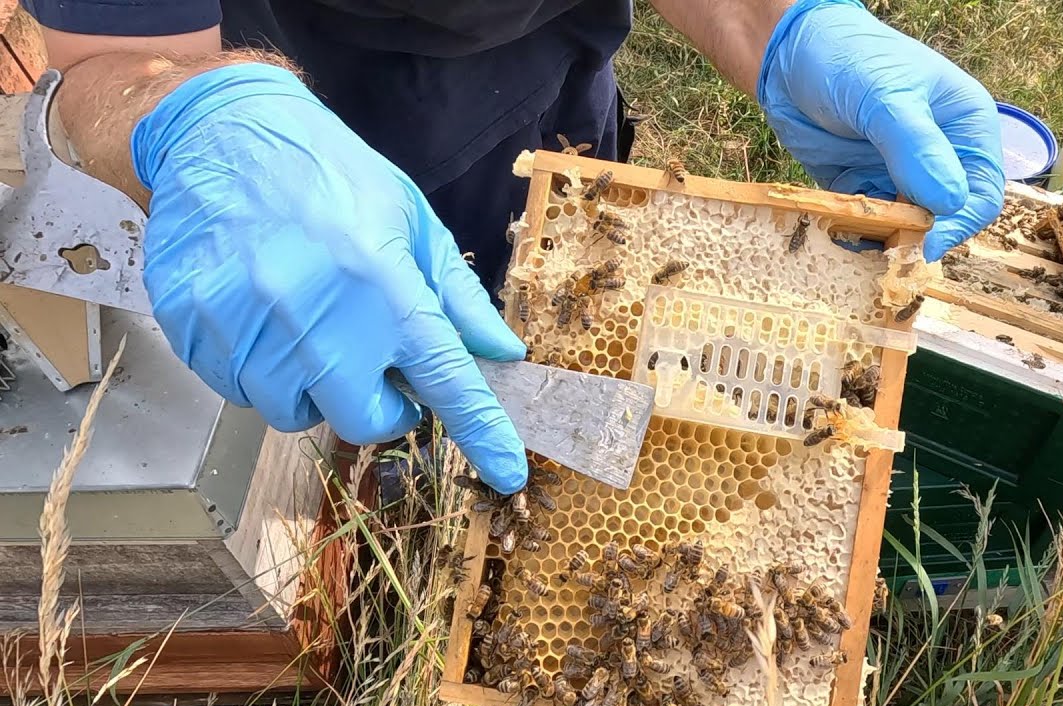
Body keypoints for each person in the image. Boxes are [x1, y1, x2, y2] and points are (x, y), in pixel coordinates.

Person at [21, 0, 1005, 494]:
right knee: (356, 409)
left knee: (545, 360)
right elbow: (98, 60)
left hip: (548, 122)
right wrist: (195, 115)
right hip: (294, 161)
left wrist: (774, 22)